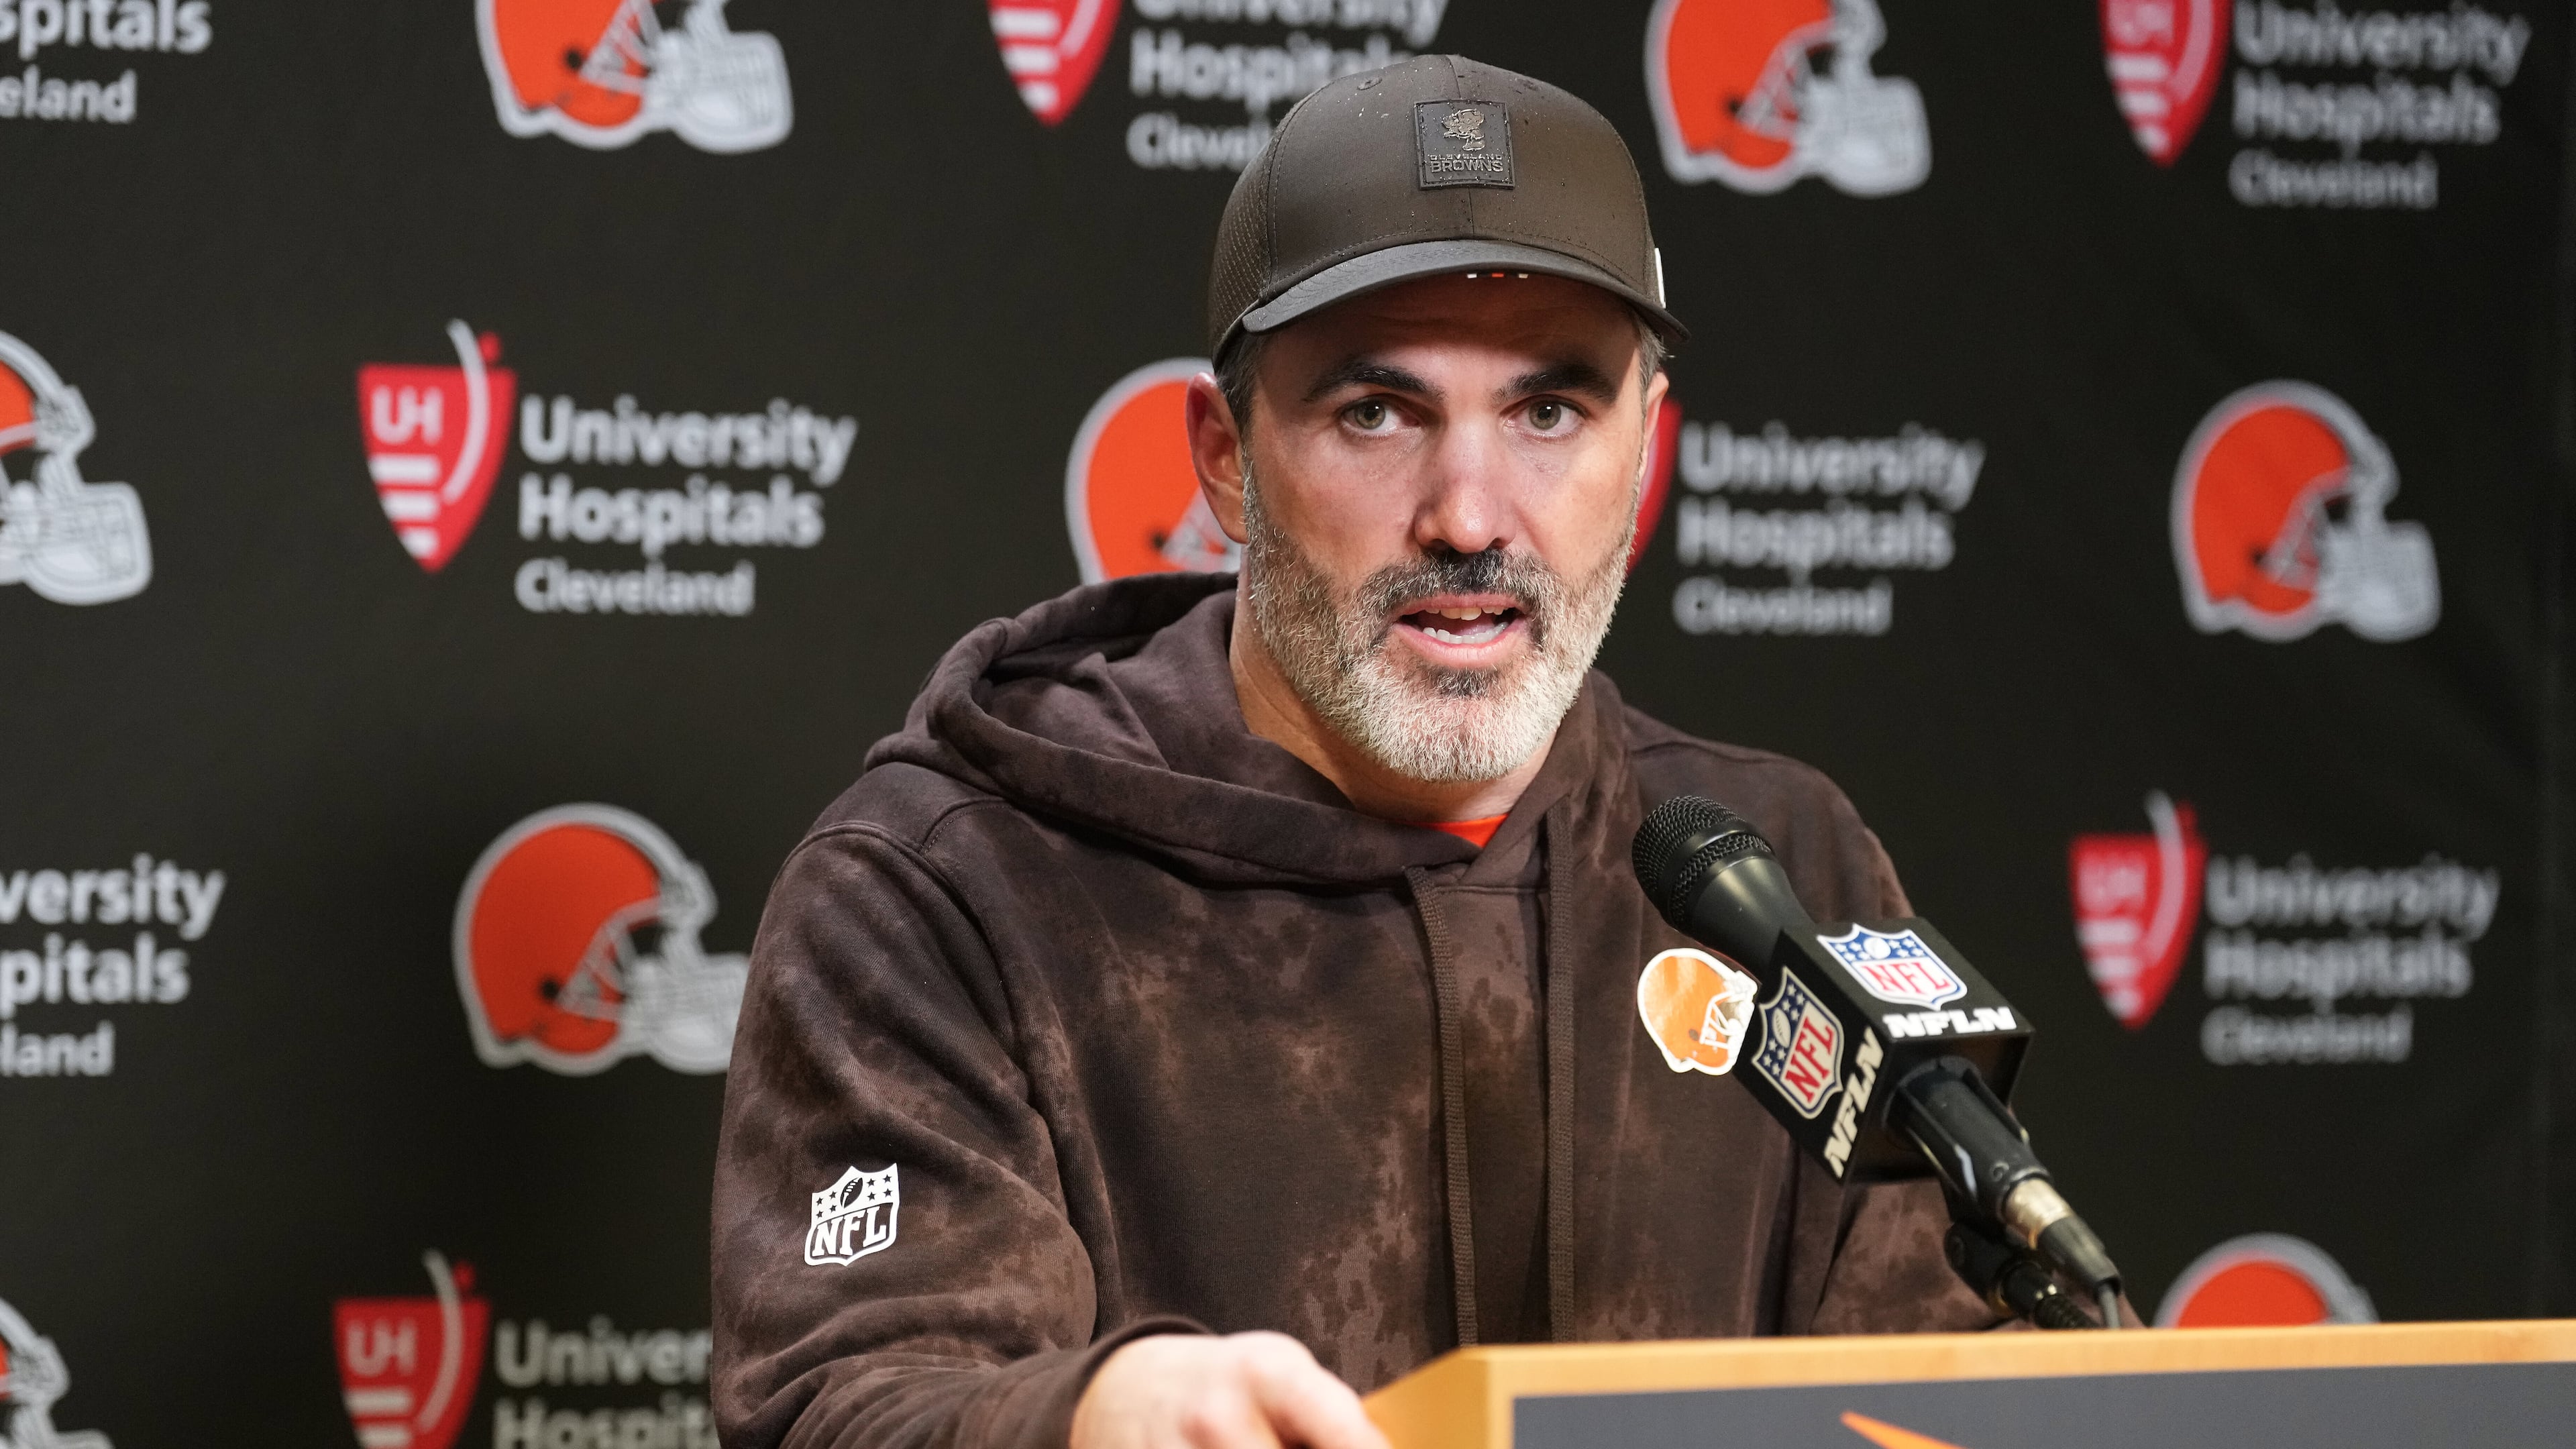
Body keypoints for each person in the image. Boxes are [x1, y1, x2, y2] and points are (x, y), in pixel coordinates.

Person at [712, 54, 1998, 1449]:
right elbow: (849, 1403)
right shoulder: (942, 892)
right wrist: (1085, 1419)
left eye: (1550, 412)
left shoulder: (1778, 866)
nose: (1469, 517)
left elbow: (1945, 1377)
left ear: (1646, 448)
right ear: (1225, 457)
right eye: (1376, 413)